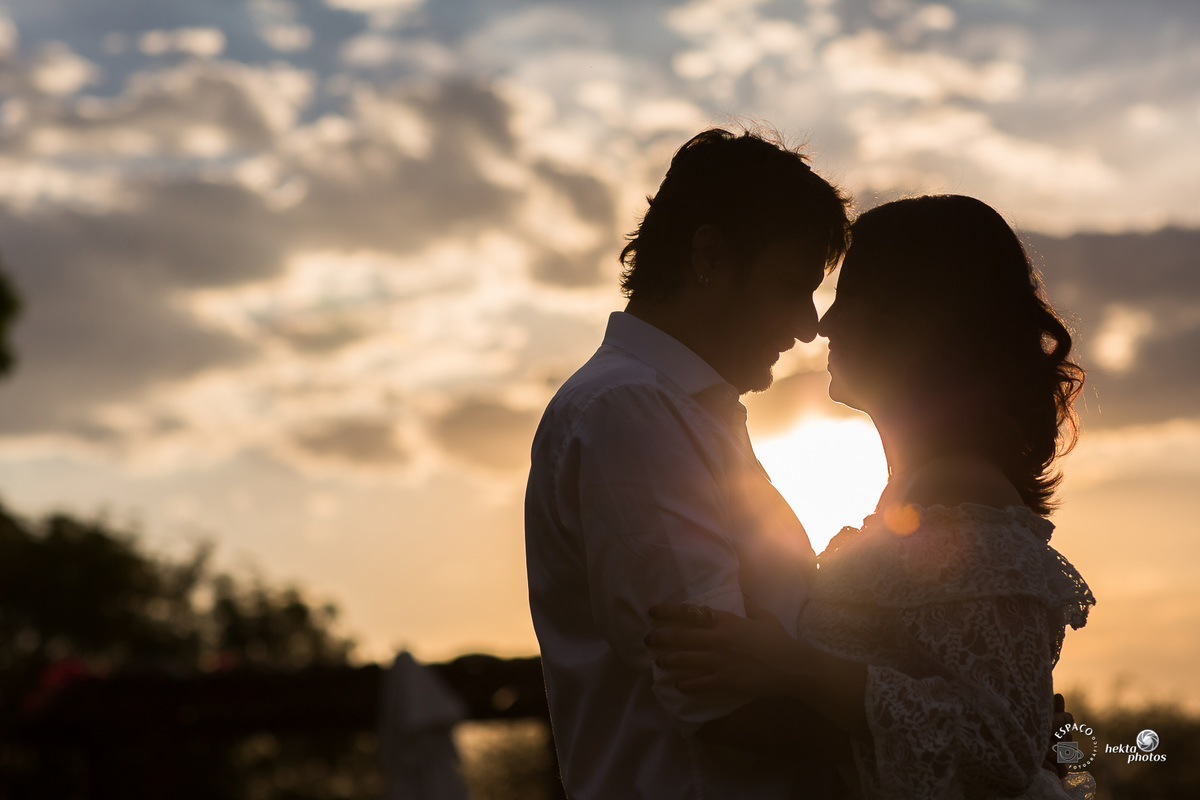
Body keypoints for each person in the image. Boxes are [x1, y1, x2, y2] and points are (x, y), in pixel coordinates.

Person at [648, 195, 1096, 799]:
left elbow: (1002, 743)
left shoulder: (960, 491)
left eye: (851, 295)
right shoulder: (912, 494)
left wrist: (790, 664)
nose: (825, 324)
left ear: (919, 318)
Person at [524, 127, 853, 800]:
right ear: (708, 256)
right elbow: (717, 702)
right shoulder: (634, 413)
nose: (809, 325)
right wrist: (939, 732)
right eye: (792, 286)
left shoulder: (680, 412)